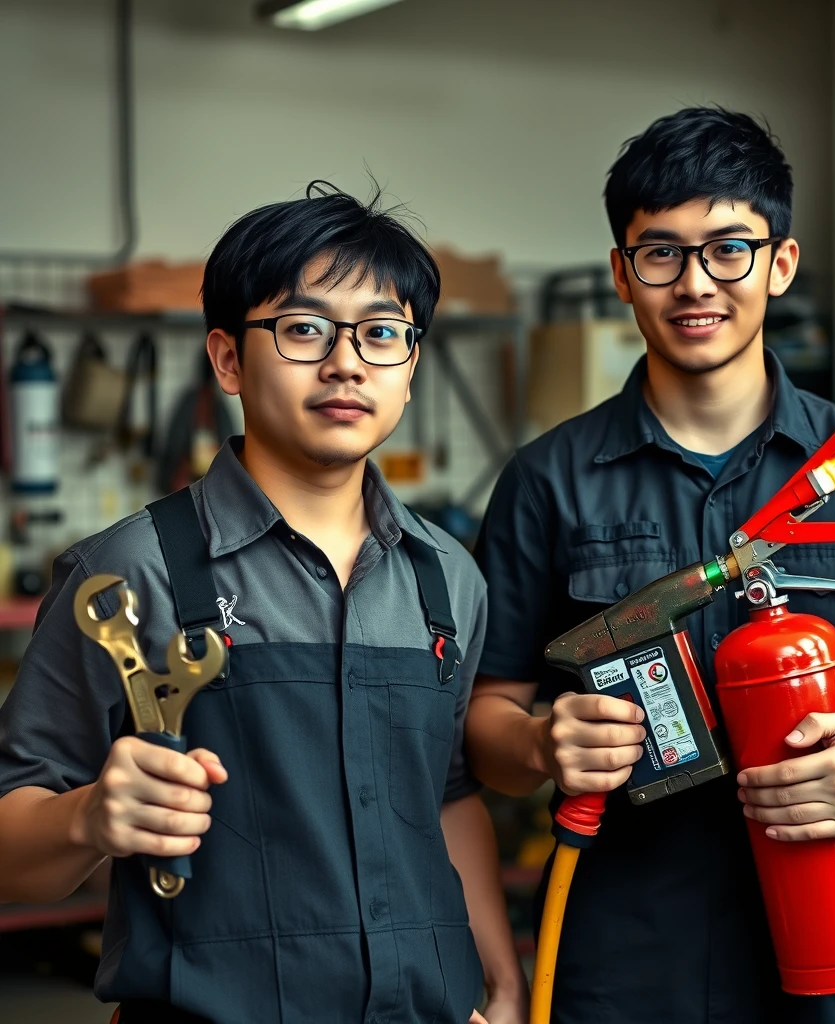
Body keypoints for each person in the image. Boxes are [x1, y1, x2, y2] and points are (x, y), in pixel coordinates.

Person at [465, 108, 835, 1024]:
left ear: (779, 264)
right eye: (660, 254)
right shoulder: (547, 482)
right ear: (621, 277)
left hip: (834, 951)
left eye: (728, 249)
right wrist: (540, 744)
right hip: (625, 966)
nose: (695, 283)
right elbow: (484, 725)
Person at [0, 182, 528, 1024]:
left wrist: (501, 984)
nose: (347, 362)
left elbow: (445, 794)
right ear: (227, 359)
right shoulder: (131, 573)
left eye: (382, 334)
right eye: (304, 329)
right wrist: (92, 817)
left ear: (410, 364)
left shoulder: (447, 578)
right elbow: (9, 842)